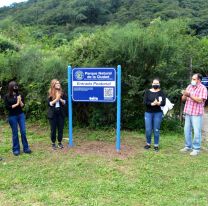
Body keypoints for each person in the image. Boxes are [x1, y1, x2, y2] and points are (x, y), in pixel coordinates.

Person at [181, 73, 207, 156]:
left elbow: (200, 100)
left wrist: (190, 95)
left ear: (199, 80)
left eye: (194, 79)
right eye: (192, 79)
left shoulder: (203, 88)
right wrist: (185, 95)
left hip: (196, 113)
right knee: (186, 130)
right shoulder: (189, 86)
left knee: (196, 131)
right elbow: (183, 99)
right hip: (188, 112)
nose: (192, 80)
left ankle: (196, 148)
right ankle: (188, 146)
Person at [4, 81, 31, 156]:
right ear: (11, 87)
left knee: (23, 131)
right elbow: (7, 107)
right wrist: (17, 103)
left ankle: (26, 148)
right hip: (12, 116)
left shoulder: (20, 94)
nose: (16, 87)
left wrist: (20, 101)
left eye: (16, 86)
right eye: (14, 86)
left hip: (20, 115)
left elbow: (22, 105)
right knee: (15, 133)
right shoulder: (7, 96)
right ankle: (16, 149)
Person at [144, 78, 166, 151]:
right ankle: (148, 144)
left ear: (159, 84)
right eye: (154, 83)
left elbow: (164, 103)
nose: (155, 85)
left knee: (156, 129)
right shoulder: (148, 92)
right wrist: (152, 103)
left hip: (158, 113)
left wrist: (159, 103)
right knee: (148, 130)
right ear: (152, 84)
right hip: (148, 113)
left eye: (157, 83)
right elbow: (145, 102)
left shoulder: (161, 92)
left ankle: (156, 145)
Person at [47, 79, 67, 150]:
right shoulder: (50, 93)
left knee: (60, 129)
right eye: (56, 83)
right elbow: (49, 104)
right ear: (53, 85)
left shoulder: (62, 93)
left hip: (60, 113)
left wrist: (60, 99)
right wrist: (56, 99)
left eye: (59, 83)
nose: (58, 84)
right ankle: (53, 143)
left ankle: (59, 142)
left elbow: (65, 102)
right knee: (53, 129)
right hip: (53, 114)